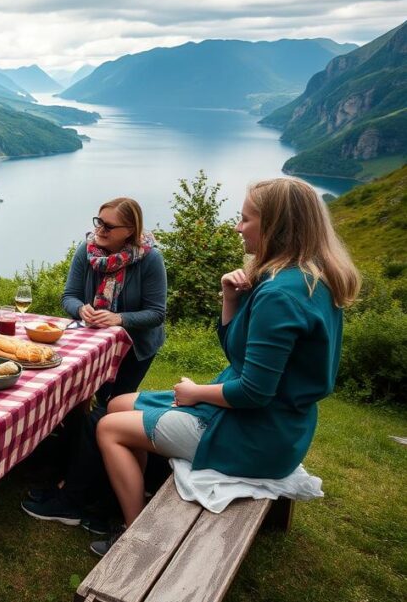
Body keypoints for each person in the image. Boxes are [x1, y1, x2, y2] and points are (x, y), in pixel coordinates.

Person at [94, 178, 360, 556]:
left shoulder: (280, 294)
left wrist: (194, 393)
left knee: (108, 428)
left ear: (276, 227)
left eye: (246, 219)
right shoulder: (310, 277)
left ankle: (135, 535)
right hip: (282, 427)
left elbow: (253, 392)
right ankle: (141, 491)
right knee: (119, 403)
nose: (238, 227)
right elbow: (241, 356)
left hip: (254, 435)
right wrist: (231, 299)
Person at [21, 198, 167, 531]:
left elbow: (157, 313)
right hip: (91, 345)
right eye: (98, 221)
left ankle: (80, 494)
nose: (99, 229)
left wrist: (119, 318)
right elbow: (69, 295)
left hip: (135, 349)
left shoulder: (150, 260)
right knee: (77, 403)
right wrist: (81, 309)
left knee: (106, 413)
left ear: (130, 231)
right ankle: (72, 474)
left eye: (108, 226)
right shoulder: (86, 250)